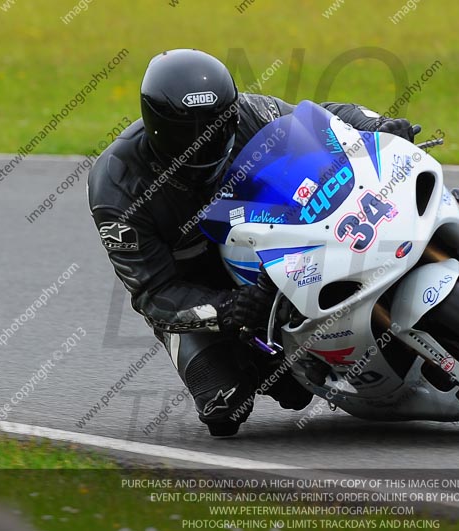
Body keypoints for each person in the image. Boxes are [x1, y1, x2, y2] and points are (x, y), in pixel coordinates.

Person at [87, 49, 419, 436]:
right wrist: (227, 308)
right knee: (228, 406)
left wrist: (374, 125)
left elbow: (319, 122)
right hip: (203, 286)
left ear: (229, 112)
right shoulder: (117, 186)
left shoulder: (248, 113)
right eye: (185, 132)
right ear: (154, 125)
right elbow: (153, 294)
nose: (202, 143)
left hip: (272, 251)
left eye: (213, 127)